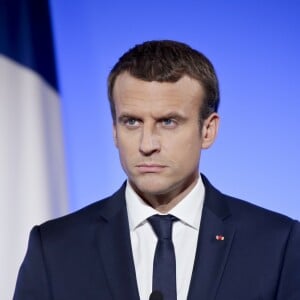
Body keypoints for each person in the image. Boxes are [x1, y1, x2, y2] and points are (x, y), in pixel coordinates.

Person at [14, 40, 300, 300]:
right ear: (114, 131)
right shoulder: (55, 249)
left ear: (208, 130)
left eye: (168, 122)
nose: (147, 144)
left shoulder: (277, 244)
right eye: (132, 122)